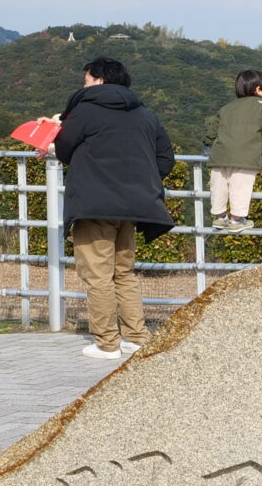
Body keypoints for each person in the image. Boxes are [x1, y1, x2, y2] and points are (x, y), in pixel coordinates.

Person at [52, 57, 175, 361]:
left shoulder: (84, 110)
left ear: (99, 81)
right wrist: (136, 181)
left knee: (98, 275)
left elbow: (65, 148)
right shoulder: (145, 114)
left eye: (86, 80)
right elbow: (165, 160)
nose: (84, 85)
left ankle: (107, 343)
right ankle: (136, 337)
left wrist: (58, 130)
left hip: (94, 204)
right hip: (133, 206)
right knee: (124, 273)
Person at [204, 69, 262, 233]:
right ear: (258, 89)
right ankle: (236, 220)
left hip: (220, 155)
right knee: (240, 187)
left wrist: (208, 144)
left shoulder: (227, 107)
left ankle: (220, 217)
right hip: (246, 155)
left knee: (219, 185)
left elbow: (212, 131)